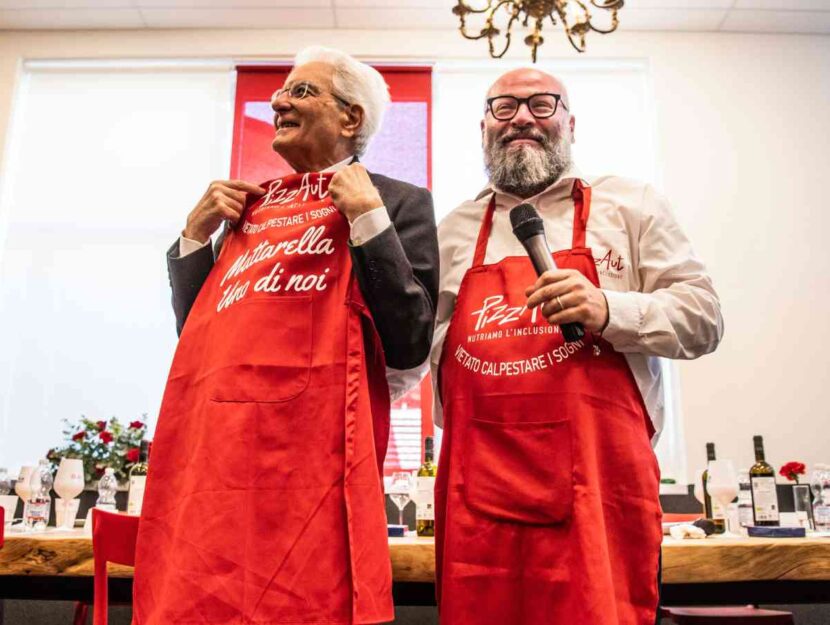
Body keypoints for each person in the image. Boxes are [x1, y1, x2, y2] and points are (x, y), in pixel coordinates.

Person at [132, 46, 438, 625]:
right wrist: (195, 235)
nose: (278, 100)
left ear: (351, 118)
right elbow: (200, 337)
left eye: (301, 92)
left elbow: (410, 340)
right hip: (222, 462)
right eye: (280, 91)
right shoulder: (246, 212)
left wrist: (369, 219)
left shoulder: (400, 202)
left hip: (319, 462)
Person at [431, 68, 723, 625]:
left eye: (542, 105)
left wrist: (609, 309)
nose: (521, 117)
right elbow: (408, 356)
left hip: (600, 493)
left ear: (570, 122)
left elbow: (704, 319)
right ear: (483, 127)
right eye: (504, 107)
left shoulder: (630, 206)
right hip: (479, 504)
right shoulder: (452, 231)